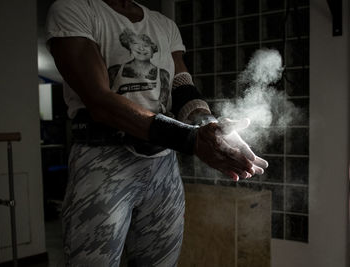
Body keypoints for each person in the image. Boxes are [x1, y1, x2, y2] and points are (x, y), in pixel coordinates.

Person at [45, 0, 268, 266]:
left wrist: (210, 126)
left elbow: (181, 86)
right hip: (102, 162)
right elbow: (99, 101)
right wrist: (191, 139)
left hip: (162, 165)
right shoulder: (74, 9)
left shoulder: (163, 24)